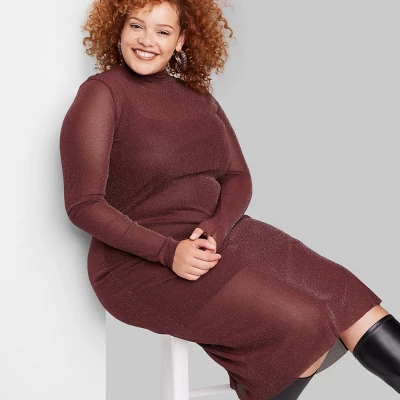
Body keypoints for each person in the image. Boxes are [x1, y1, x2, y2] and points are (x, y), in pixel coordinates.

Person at [59, 1, 400, 399]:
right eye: (137, 26)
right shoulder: (102, 94)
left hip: (221, 238)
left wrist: (217, 228)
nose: (147, 40)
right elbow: (83, 204)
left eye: (163, 31)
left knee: (346, 294)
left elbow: (238, 177)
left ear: (181, 39)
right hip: (138, 263)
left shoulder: (198, 99)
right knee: (300, 324)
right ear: (119, 28)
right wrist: (168, 252)